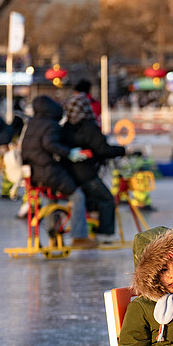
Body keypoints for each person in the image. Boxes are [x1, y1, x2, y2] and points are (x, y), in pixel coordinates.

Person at [20, 95, 93, 246]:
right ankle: (79, 237)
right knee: (78, 196)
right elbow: (49, 144)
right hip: (48, 171)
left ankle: (53, 236)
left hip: (34, 173)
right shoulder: (50, 124)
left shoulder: (32, 123)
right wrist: (70, 153)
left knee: (50, 198)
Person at [60, 94, 126, 244]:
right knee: (106, 199)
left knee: (91, 200)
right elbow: (102, 149)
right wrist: (122, 150)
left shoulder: (66, 127)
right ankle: (105, 234)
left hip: (69, 173)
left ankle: (91, 230)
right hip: (86, 173)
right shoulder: (88, 127)